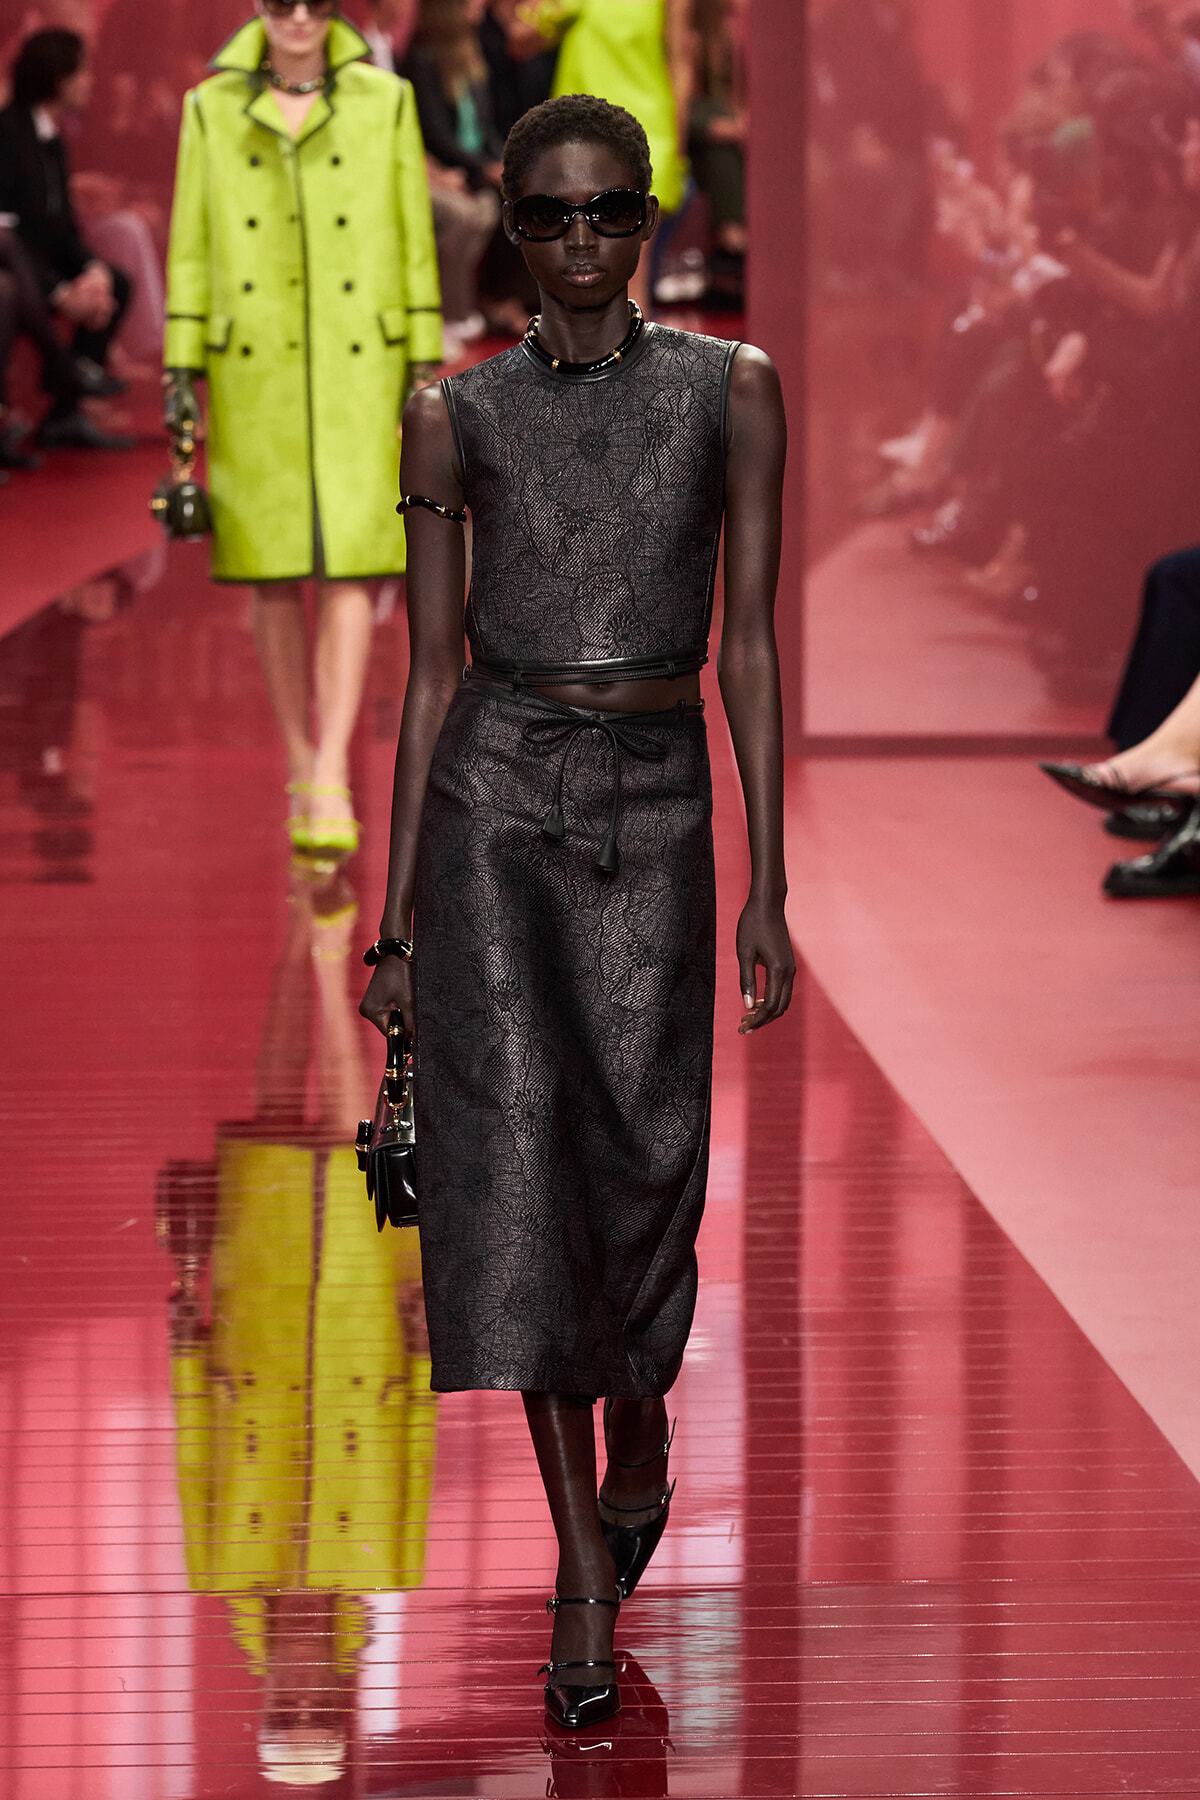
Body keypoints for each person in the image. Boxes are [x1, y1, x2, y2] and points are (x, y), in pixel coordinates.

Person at [360, 93, 793, 1730]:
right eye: (549, 214)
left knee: (646, 1157)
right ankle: (581, 1576)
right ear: (511, 231)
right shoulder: (451, 413)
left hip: (658, 797)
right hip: (495, 800)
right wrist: (399, 922)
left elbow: (749, 643)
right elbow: (427, 679)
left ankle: (646, 1417)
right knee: (520, 1175)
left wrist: (770, 879)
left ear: (653, 219)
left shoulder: (729, 389)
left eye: (610, 209)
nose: (583, 239)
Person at [163, 0, 443, 863]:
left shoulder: (385, 101)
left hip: (361, 357)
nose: (295, 17)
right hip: (254, 362)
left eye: (314, 2)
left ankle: (329, 768)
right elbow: (190, 243)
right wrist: (180, 364)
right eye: (278, 1)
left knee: (355, 560)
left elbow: (413, 234)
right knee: (272, 567)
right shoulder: (210, 107)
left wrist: (423, 360)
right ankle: (300, 758)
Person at [0, 28, 136, 450]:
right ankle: (65, 369)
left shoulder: (53, 139)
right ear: (60, 78)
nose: (90, 82)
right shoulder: (7, 134)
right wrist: (60, 292)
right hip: (16, 266)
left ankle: (65, 413)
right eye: (84, 72)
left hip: (41, 263)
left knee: (116, 281)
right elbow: (8, 235)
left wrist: (92, 272)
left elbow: (63, 229)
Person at [507, 0, 693, 310]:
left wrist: (679, 146)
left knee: (629, 270)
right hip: (576, 141)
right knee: (575, 273)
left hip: (648, 133)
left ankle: (630, 343)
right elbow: (519, 39)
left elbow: (681, 61)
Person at [403, 0, 504, 346]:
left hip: (471, 167)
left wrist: (501, 161)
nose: (480, 5)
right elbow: (434, 134)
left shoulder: (472, 53)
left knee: (511, 201)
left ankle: (494, 301)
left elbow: (485, 128)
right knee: (467, 214)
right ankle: (452, 313)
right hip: (446, 167)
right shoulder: (422, 58)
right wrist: (482, 169)